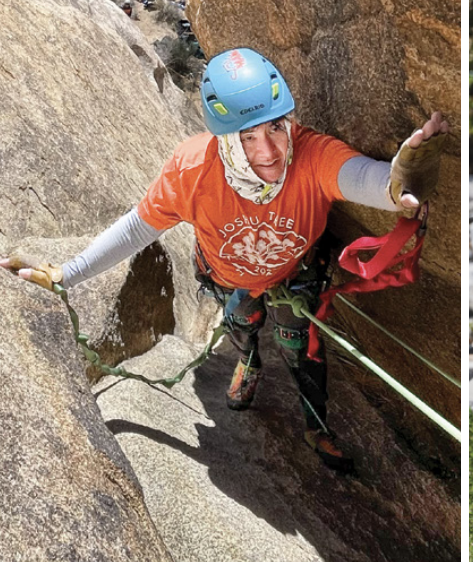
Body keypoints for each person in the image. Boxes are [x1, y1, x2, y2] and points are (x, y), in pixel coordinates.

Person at [5, 47, 449, 474]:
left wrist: (397, 181)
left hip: (295, 275)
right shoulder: (192, 170)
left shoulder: (310, 154)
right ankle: (250, 361)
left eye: (276, 127)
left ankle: (316, 426)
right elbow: (138, 228)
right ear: (224, 139)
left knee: (302, 349)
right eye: (248, 136)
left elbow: (360, 177)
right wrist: (68, 272)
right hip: (231, 279)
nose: (270, 151)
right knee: (242, 323)